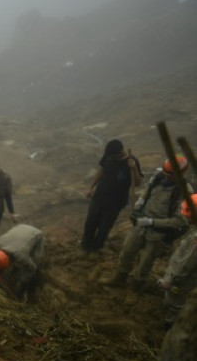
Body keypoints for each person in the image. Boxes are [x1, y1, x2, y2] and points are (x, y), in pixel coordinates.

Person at [111, 155, 191, 297]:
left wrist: (152, 222)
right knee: (127, 251)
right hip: (141, 224)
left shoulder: (184, 192)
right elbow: (148, 189)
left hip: (158, 233)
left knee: (146, 263)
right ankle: (119, 279)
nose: (166, 176)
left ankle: (137, 287)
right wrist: (140, 203)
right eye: (165, 172)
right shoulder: (159, 177)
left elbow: (180, 221)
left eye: (170, 174)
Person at [81, 139, 143, 253]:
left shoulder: (132, 161)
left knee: (104, 228)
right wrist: (91, 187)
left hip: (115, 203)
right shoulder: (109, 156)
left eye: (114, 157)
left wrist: (134, 169)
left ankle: (96, 250)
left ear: (121, 152)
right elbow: (102, 170)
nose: (111, 159)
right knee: (90, 224)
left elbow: (138, 183)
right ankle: (84, 247)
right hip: (99, 197)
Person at [157, 194, 197, 329]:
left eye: (188, 213)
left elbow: (186, 264)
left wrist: (171, 281)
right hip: (183, 278)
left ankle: (170, 325)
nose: (185, 216)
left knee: (176, 303)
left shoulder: (195, 240)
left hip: (183, 281)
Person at [0, 224, 46, 298]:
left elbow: (32, 268)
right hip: (20, 227)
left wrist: (21, 282)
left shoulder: (21, 256)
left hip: (37, 234)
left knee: (35, 262)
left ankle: (27, 287)